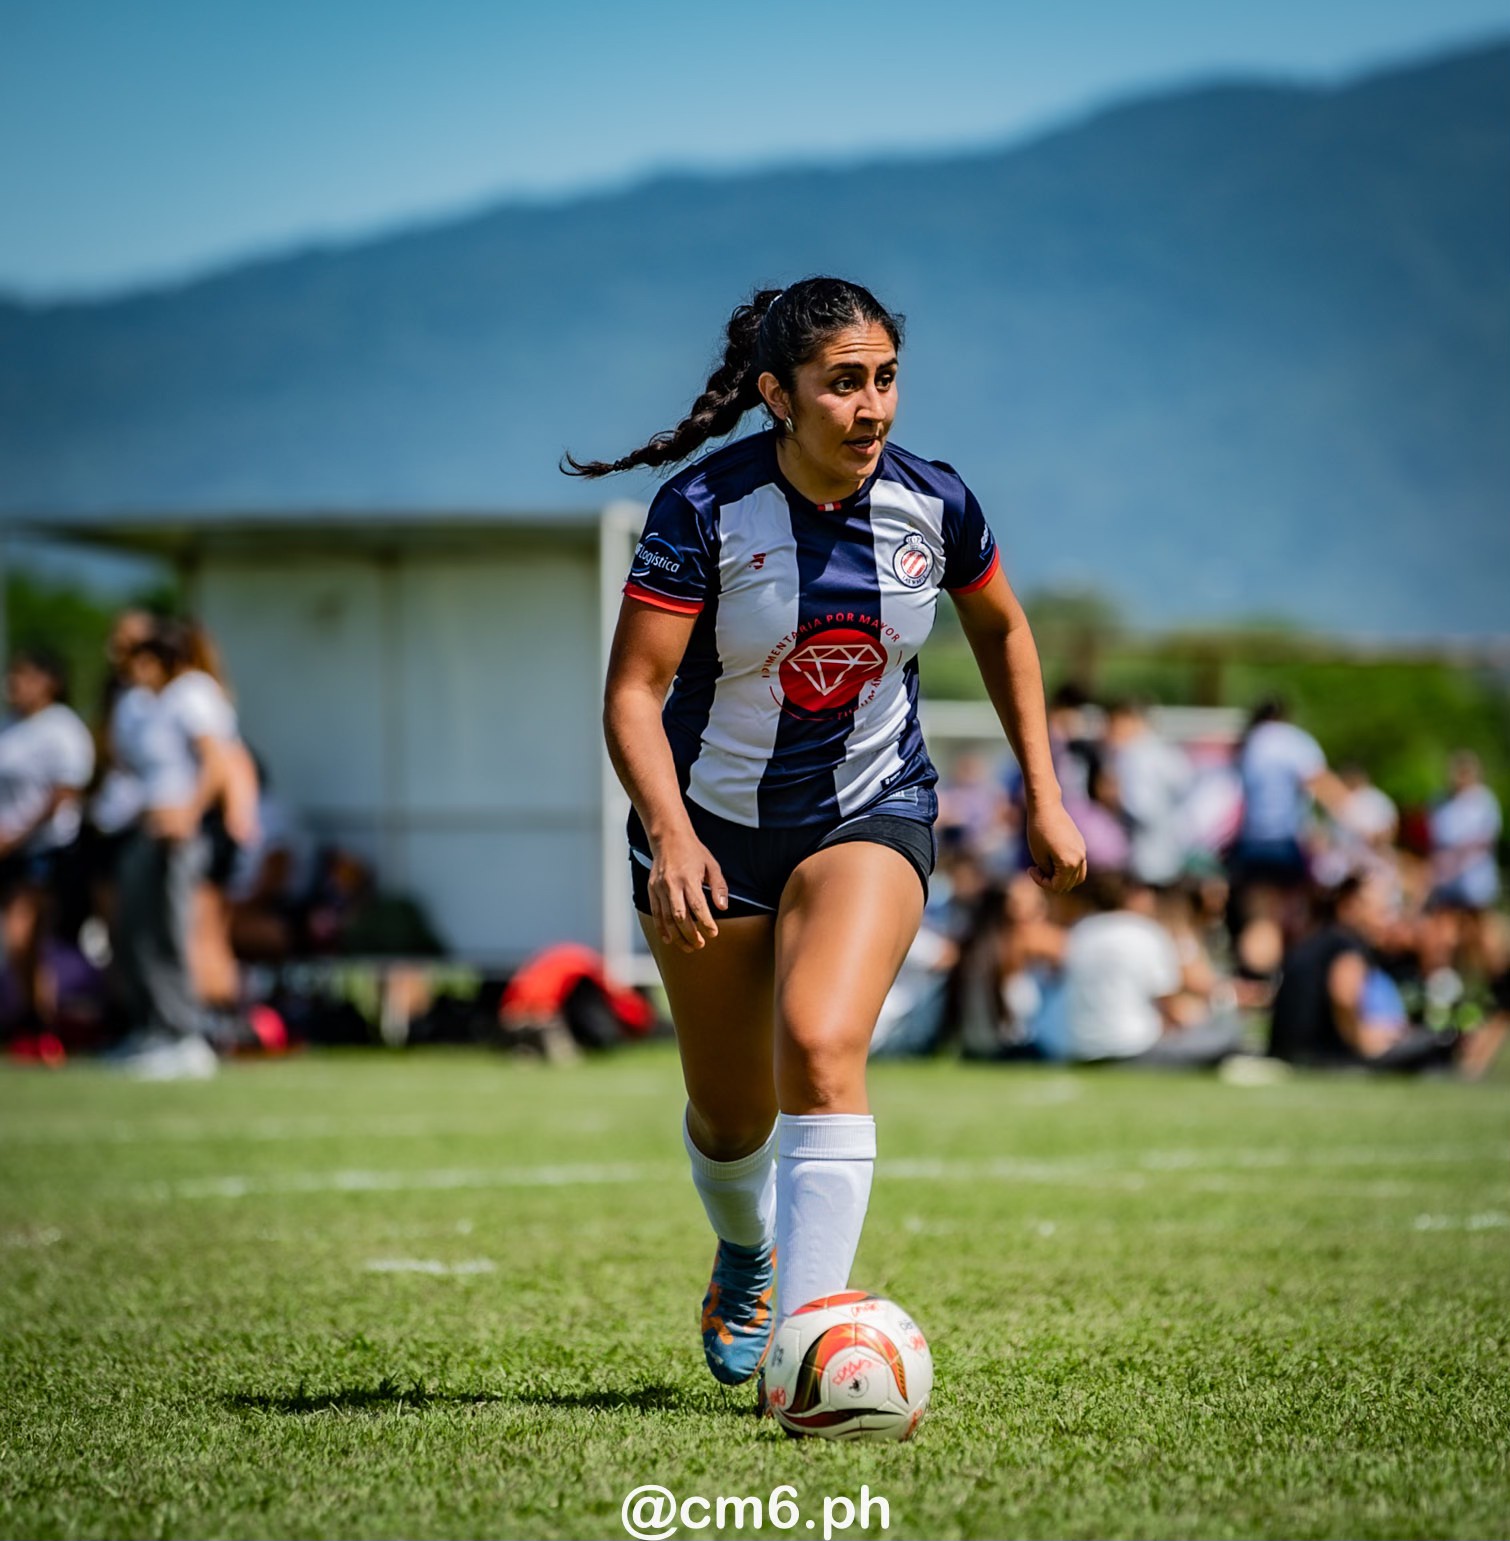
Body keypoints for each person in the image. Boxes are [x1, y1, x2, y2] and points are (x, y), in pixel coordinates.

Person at [570, 277, 1086, 1399]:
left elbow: (1003, 633)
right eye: (842, 382)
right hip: (705, 832)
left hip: (868, 811)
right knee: (729, 1110)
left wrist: (1045, 791)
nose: (871, 406)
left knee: (818, 1043)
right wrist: (672, 835)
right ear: (777, 394)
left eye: (885, 378)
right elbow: (631, 693)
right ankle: (747, 1251)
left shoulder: (936, 503)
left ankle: (807, 1344)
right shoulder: (702, 509)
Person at [109, 620, 258, 1077]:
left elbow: (219, 763)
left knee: (175, 935)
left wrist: (189, 813)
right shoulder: (139, 704)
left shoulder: (192, 693)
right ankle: (151, 1028)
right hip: (145, 830)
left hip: (180, 836)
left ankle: (184, 1034)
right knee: (134, 933)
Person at [0, 650, 95, 1033]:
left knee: (27, 934)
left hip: (47, 848)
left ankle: (43, 1021)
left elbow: (65, 792)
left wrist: (17, 834)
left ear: (50, 682)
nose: (14, 684)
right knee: (19, 940)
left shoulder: (62, 729)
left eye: (24, 675)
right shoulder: (10, 725)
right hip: (11, 848)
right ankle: (34, 1017)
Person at [1428, 751, 1502, 912]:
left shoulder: (1484, 799)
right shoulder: (1440, 800)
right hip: (1445, 874)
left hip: (1474, 874)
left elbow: (1486, 838)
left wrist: (1458, 858)